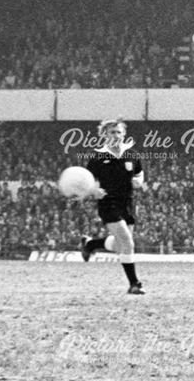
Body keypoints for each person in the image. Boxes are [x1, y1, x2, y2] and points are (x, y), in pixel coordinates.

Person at [79, 119, 147, 295]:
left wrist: (138, 182)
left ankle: (91, 244)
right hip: (109, 204)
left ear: (124, 134)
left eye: (118, 132)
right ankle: (134, 284)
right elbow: (88, 183)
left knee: (121, 246)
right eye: (111, 132)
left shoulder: (132, 154)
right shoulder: (98, 157)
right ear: (104, 135)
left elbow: (140, 175)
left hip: (128, 204)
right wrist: (95, 190)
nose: (115, 135)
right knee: (127, 242)